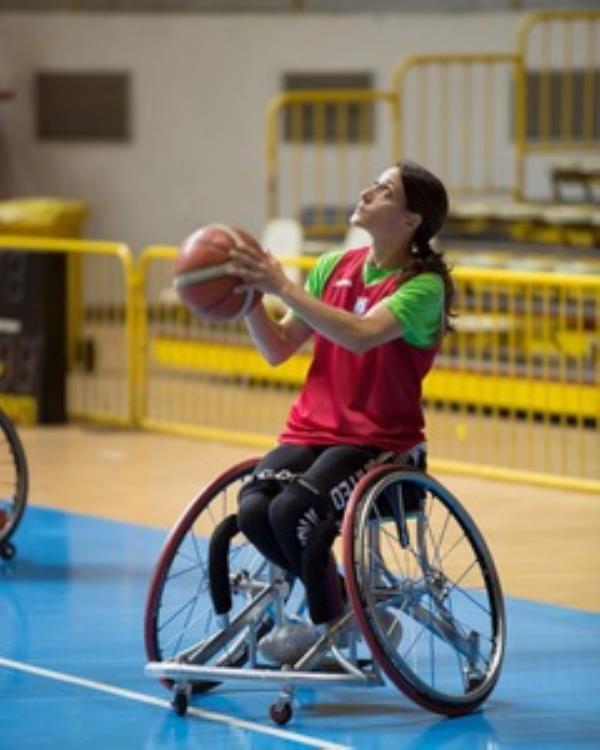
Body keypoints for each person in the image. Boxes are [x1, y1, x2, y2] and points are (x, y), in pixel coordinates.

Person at [227, 159, 454, 663]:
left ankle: (333, 622)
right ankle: (347, 610)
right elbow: (279, 347)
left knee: (292, 511)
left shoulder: (423, 287)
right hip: (311, 433)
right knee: (253, 508)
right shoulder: (333, 267)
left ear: (411, 220)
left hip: (379, 444)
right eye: (373, 184)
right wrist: (248, 302)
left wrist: (283, 286)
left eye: (385, 190)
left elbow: (359, 336)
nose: (367, 192)